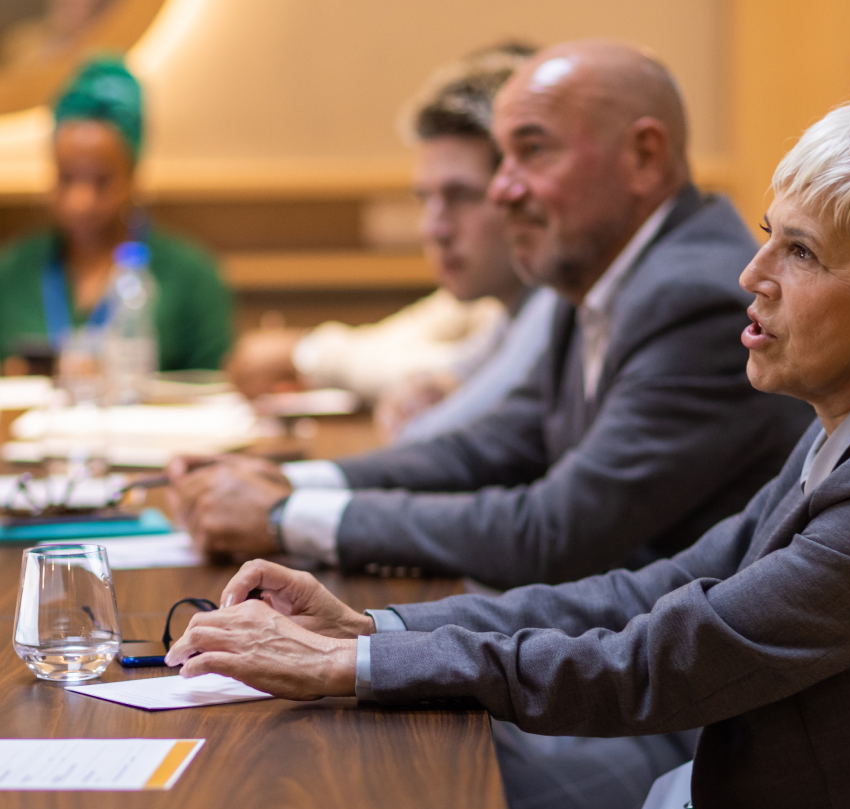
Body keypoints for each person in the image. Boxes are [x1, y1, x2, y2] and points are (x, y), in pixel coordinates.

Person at [166, 98, 850, 809]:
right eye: (767, 233)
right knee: (371, 805)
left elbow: (662, 660)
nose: (752, 276)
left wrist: (349, 669)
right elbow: (651, 590)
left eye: (801, 252)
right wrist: (374, 634)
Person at [168, 41, 812, 590]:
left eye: (531, 152)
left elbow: (555, 532)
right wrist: (291, 481)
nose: (503, 189)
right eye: (501, 160)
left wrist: (285, 514)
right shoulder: (601, 270)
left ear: (643, 157)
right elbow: (492, 447)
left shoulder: (692, 295)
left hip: (665, 703)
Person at [227, 43, 556, 441]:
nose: (434, 229)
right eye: (425, 199)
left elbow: (451, 396)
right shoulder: (498, 299)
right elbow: (408, 344)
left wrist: (306, 353)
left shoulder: (556, 303)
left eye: (463, 197)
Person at [0, 57, 233, 373]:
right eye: (67, 178)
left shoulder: (190, 276)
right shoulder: (13, 271)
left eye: (102, 181)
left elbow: (218, 388)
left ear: (133, 178)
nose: (81, 201)